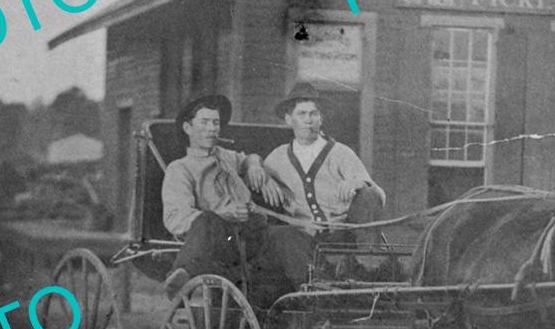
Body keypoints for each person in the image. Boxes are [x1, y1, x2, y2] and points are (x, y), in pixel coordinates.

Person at [161, 95, 286, 303]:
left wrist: (254, 165)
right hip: (219, 243)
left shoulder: (225, 156)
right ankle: (182, 277)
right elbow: (177, 218)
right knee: (208, 220)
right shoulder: (180, 169)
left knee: (288, 235)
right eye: (205, 122)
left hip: (252, 236)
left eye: (216, 123)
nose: (212, 128)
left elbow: (247, 158)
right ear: (188, 128)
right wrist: (223, 215)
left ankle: (325, 288)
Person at [259, 82, 386, 281]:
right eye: (302, 114)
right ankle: (318, 286)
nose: (308, 120)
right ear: (288, 119)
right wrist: (256, 169)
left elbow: (378, 195)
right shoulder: (277, 158)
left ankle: (368, 273)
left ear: (321, 119)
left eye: (314, 114)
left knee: (369, 195)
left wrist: (357, 182)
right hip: (303, 239)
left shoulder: (340, 153)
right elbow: (256, 177)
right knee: (279, 234)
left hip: (343, 235)